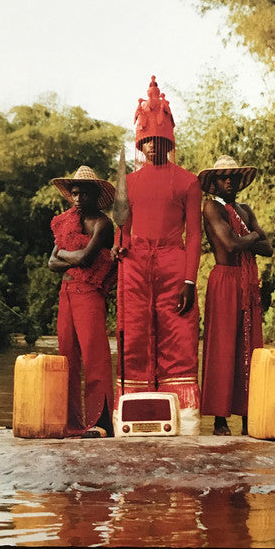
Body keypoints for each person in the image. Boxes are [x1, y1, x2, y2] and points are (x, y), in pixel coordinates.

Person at [112, 76, 202, 435]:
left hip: (172, 260)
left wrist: (189, 279)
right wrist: (120, 245)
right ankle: (132, 417)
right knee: (133, 334)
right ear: (140, 143)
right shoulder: (128, 183)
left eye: (159, 140)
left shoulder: (188, 181)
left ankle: (185, 421)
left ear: (169, 141)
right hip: (134, 263)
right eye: (146, 140)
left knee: (179, 333)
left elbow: (194, 235)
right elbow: (123, 227)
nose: (152, 145)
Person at [198, 155, 273, 436]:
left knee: (250, 346)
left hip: (248, 282)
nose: (229, 181)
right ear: (214, 183)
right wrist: (254, 237)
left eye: (233, 176)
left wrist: (252, 240)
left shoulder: (245, 209)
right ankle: (219, 419)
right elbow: (230, 245)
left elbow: (269, 249)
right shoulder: (210, 208)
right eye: (223, 177)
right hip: (225, 280)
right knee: (223, 345)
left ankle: (247, 417)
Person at [49, 165, 116, 438]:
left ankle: (101, 422)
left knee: (95, 356)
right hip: (66, 294)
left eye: (83, 194)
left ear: (94, 195)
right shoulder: (65, 221)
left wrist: (65, 255)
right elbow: (51, 263)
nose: (77, 199)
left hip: (89, 293)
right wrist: (69, 255)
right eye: (74, 194)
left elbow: (85, 259)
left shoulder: (102, 223)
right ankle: (72, 421)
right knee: (66, 356)